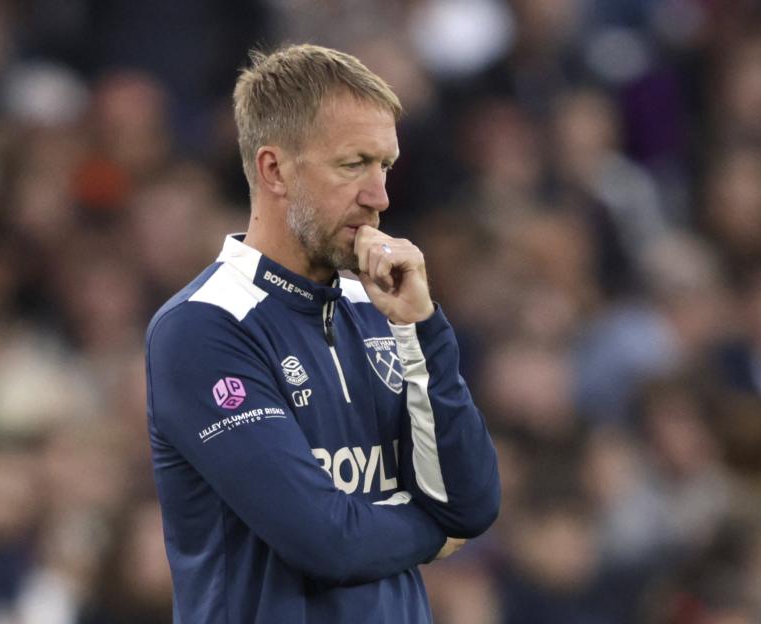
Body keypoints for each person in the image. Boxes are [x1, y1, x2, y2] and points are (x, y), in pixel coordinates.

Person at [144, 43, 501, 623]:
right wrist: (437, 534)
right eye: (353, 164)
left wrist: (422, 328)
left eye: (385, 165)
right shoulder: (202, 328)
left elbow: (475, 501)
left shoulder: (381, 307)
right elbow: (325, 540)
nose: (379, 197)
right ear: (274, 169)